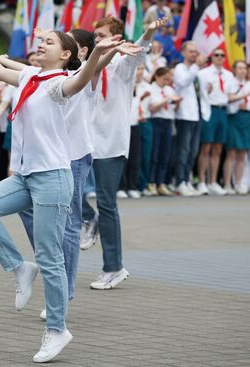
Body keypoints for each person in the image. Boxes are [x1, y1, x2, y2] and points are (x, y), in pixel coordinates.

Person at [0, 31, 124, 362]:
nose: (42, 44)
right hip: (26, 176)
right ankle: (20, 268)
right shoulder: (32, 75)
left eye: (50, 42)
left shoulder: (61, 83)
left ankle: (57, 329)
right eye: (42, 40)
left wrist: (96, 56)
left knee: (51, 256)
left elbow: (83, 79)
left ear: (65, 55)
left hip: (53, 179)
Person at [80, 17, 165, 290]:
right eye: (95, 36)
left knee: (107, 204)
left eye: (102, 34)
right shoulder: (88, 64)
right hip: (83, 142)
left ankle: (113, 268)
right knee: (66, 191)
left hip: (110, 144)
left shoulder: (122, 64)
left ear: (117, 39)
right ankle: (88, 218)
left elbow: (139, 50)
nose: (97, 40)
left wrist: (149, 32)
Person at [196, 48, 234, 195]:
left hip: (222, 110)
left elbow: (230, 95)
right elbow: (197, 91)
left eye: (222, 55)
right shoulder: (203, 73)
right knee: (206, 146)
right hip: (209, 110)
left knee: (218, 148)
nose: (219, 57)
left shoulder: (229, 75)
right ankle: (201, 181)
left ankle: (212, 181)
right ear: (212, 58)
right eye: (216, 55)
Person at [173, 41, 205, 196]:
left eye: (195, 51)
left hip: (196, 114)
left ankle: (186, 180)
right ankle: (179, 182)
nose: (194, 54)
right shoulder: (180, 68)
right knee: (183, 150)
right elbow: (182, 82)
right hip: (184, 115)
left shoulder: (196, 71)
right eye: (191, 51)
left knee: (193, 151)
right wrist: (195, 67)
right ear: (183, 52)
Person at [148, 67, 181, 196]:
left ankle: (160, 182)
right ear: (157, 76)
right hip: (157, 120)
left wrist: (177, 102)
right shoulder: (151, 88)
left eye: (168, 79)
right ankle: (151, 182)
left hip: (168, 120)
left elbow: (174, 108)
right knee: (155, 153)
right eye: (164, 78)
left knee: (165, 153)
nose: (166, 81)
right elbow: (152, 108)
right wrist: (167, 99)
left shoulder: (168, 89)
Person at [119, 64, 151, 199]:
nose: (140, 72)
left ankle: (132, 186)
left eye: (142, 69)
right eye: (138, 68)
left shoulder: (145, 86)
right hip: (122, 125)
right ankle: (121, 187)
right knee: (122, 157)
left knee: (135, 158)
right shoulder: (124, 84)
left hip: (135, 125)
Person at [224, 61, 250, 194]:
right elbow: (228, 98)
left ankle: (239, 183)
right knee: (232, 152)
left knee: (242, 152)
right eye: (239, 68)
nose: (242, 71)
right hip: (234, 117)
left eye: (244, 68)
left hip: (246, 118)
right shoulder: (230, 83)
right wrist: (243, 96)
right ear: (234, 70)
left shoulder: (248, 84)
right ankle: (228, 183)